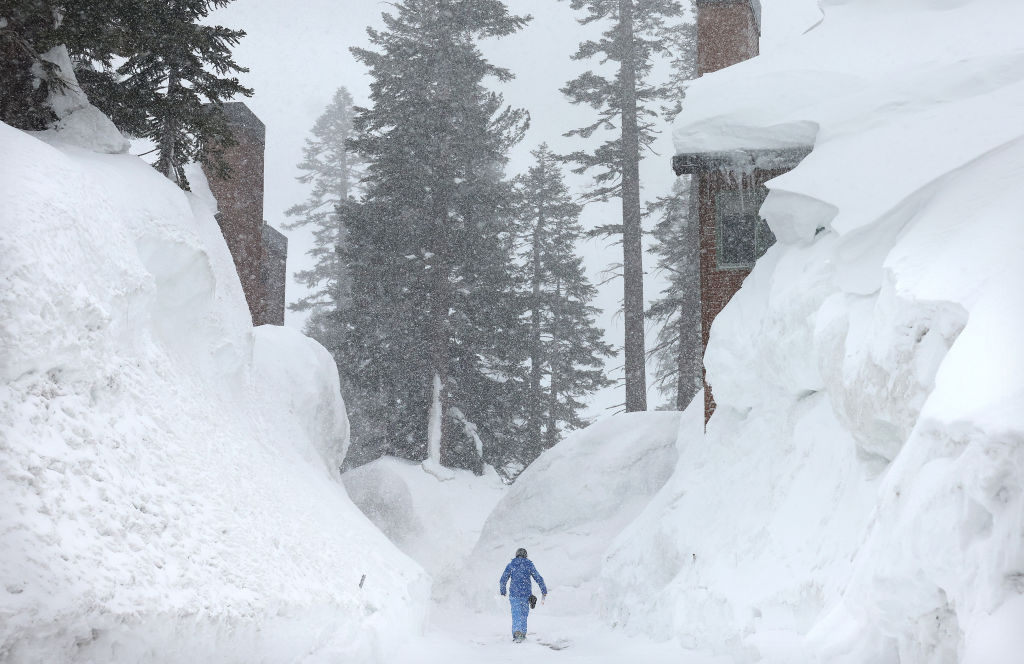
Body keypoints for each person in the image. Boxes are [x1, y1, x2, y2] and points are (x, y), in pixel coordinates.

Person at [498, 547, 547, 643]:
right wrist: (543, 590)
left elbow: (503, 580)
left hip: (514, 594)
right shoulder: (529, 565)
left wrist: (503, 591)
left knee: (516, 613)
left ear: (516, 555)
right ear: (526, 555)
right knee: (524, 615)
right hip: (526, 594)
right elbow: (538, 578)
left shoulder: (511, 565)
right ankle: (523, 633)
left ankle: (517, 633)